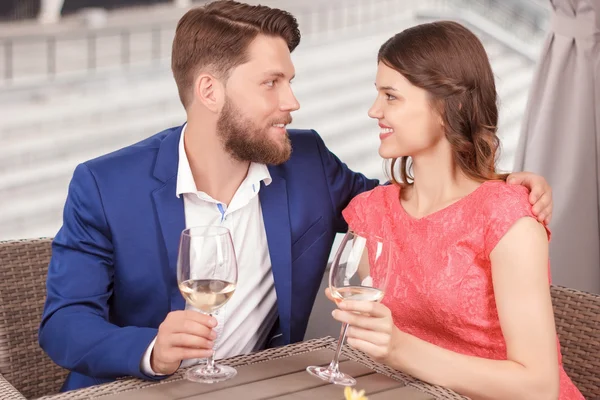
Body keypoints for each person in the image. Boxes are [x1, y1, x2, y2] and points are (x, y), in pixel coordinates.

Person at [39, 1, 554, 392]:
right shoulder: (106, 186)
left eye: (290, 80)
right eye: (271, 83)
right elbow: (63, 323)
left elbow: (417, 212)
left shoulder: (306, 163)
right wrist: (151, 348)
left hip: (262, 387)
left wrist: (502, 184)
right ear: (210, 91)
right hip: (137, 389)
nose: (292, 101)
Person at [331, 21, 583, 399]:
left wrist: (400, 350)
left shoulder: (505, 215)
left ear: (451, 106)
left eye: (391, 96)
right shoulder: (372, 213)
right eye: (377, 94)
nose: (373, 110)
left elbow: (539, 387)